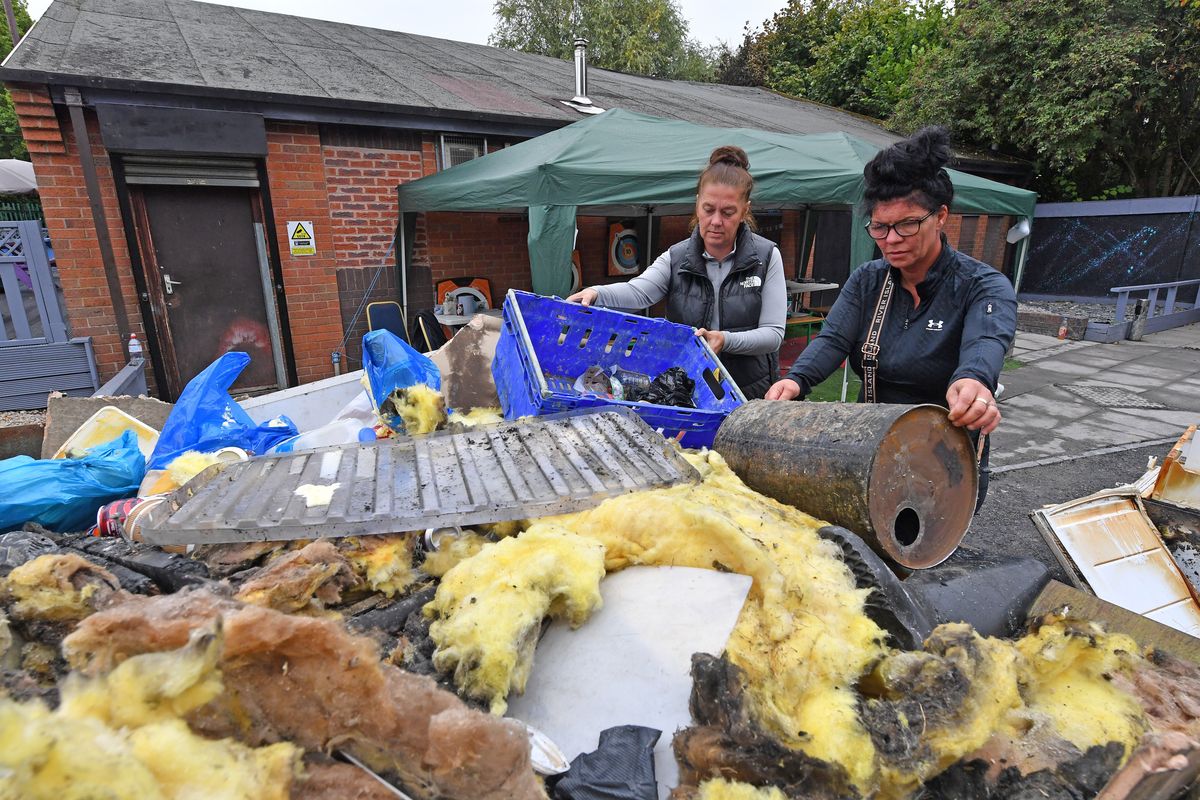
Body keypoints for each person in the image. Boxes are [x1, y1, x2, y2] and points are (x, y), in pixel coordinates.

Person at [764, 126, 1017, 510]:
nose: (892, 239)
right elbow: (833, 339)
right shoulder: (868, 280)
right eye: (880, 227)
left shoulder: (981, 285)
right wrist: (795, 380)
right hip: (873, 448)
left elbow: (985, 342)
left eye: (907, 224)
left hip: (944, 459)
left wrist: (973, 381)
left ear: (941, 216)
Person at [566, 146, 787, 399]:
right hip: (688, 389)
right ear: (697, 203)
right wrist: (596, 293)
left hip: (749, 391)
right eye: (708, 209)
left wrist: (725, 340)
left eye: (728, 213)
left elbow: (773, 334)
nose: (716, 221)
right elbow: (639, 292)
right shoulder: (677, 257)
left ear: (744, 211)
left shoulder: (766, 257)